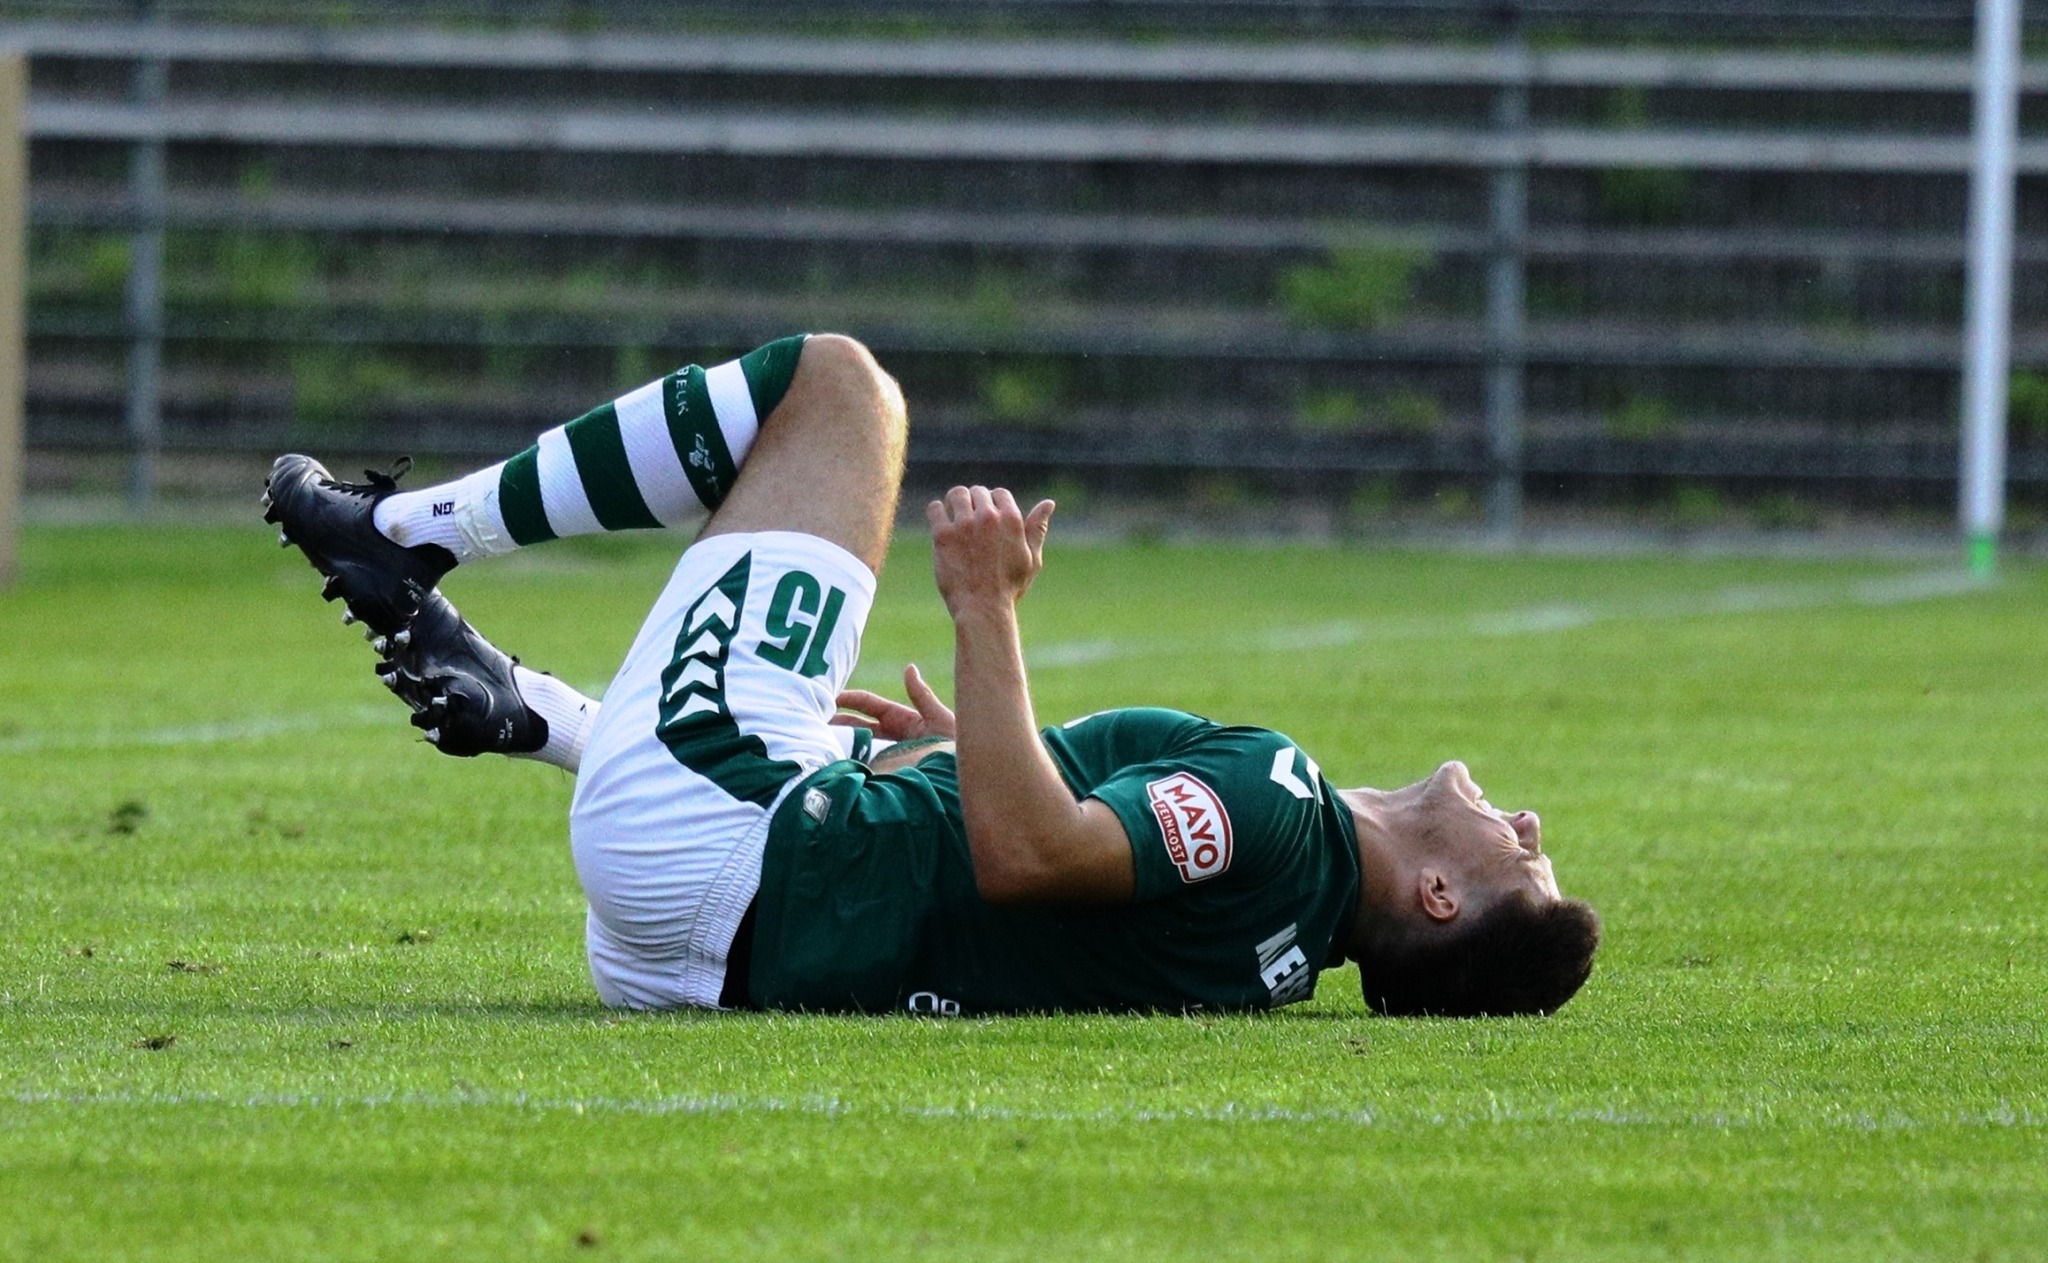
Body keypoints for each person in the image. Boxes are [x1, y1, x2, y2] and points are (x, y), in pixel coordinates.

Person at [264, 333, 1599, 1017]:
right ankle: (537, 714)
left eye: (1521, 865)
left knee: (838, 394)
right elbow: (1017, 889)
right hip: (700, 957)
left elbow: (1032, 855)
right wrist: (967, 750)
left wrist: (986, 607)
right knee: (853, 745)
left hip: (726, 854)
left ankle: (400, 538)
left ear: (1436, 897)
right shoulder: (1283, 948)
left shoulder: (1286, 808)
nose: (1527, 826)